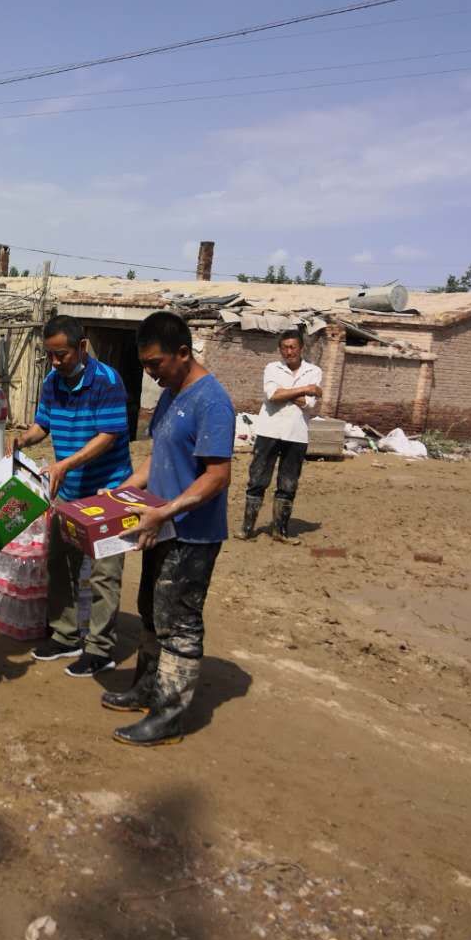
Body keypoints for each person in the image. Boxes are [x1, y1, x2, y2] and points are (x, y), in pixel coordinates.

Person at [100, 311, 234, 746]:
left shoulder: (211, 401)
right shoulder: (171, 395)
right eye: (144, 366)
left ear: (183, 352)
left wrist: (168, 510)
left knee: (179, 622)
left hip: (191, 534)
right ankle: (146, 689)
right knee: (152, 613)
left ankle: (168, 715)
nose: (150, 374)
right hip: (159, 526)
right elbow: (157, 459)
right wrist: (119, 493)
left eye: (155, 364)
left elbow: (217, 475)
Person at [8, 315, 134, 678]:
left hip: (107, 492)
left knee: (103, 574)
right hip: (67, 495)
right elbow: (42, 424)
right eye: (50, 355)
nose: (55, 362)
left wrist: (66, 465)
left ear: (81, 347)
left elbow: (109, 435)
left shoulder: (107, 382)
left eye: (61, 354)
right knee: (59, 565)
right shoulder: (52, 381)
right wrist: (22, 439)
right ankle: (64, 635)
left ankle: (100, 648)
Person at [242, 329, 322, 542]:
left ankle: (280, 531)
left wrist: (285, 392)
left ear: (301, 348)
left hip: (296, 434)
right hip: (269, 431)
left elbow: (309, 404)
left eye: (292, 347)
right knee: (258, 479)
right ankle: (247, 528)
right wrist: (304, 389)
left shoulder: (314, 371)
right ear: (280, 350)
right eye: (284, 348)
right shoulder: (272, 368)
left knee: (288, 484)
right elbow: (273, 395)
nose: (289, 352)